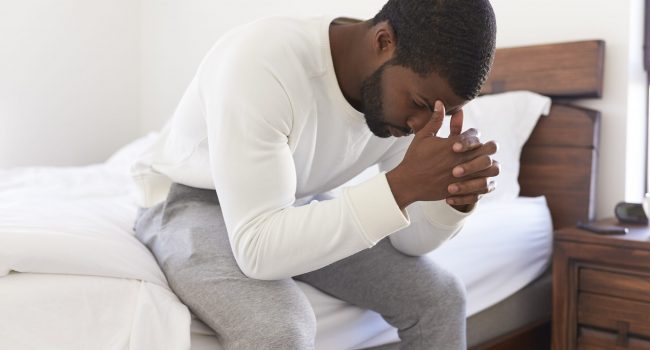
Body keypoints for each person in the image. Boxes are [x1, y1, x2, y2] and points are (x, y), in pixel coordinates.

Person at [132, 0, 498, 348]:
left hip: (291, 203)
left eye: (441, 113)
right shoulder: (263, 63)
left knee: (441, 299)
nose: (422, 125)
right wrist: (401, 187)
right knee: (279, 330)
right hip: (189, 200)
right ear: (383, 42)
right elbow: (258, 249)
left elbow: (409, 242)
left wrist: (451, 200)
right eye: (419, 105)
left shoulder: (407, 108)